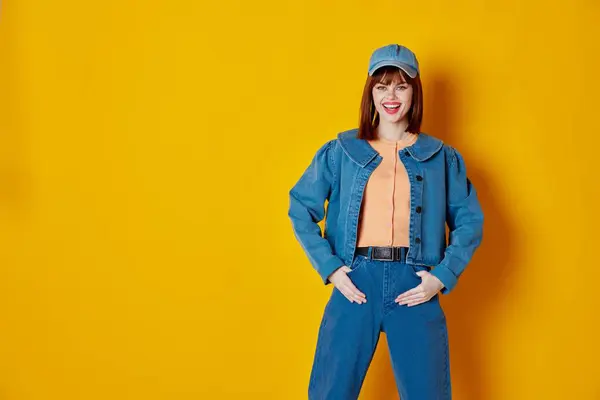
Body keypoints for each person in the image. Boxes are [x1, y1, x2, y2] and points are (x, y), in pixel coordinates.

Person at [287, 43, 484, 399]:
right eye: (381, 86)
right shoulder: (341, 152)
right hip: (357, 280)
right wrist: (332, 269)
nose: (391, 96)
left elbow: (470, 222)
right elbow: (300, 206)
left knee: (428, 394)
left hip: (415, 285)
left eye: (401, 85)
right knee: (331, 392)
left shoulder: (441, 158)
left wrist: (441, 277)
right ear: (370, 92)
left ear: (414, 91)